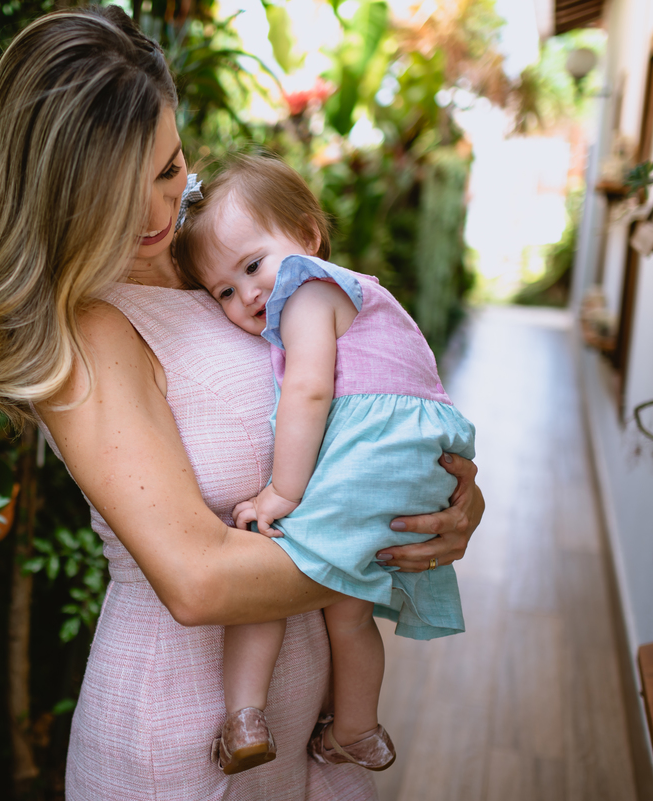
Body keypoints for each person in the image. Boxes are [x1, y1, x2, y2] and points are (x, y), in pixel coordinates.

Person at [0, 7, 484, 799]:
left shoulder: (218, 252)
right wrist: (384, 538)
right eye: (117, 195)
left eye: (169, 168)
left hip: (303, 723)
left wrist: (435, 496)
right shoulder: (88, 326)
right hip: (180, 737)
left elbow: (352, 392)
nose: (159, 215)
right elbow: (197, 580)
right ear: (60, 195)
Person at [172, 153, 475, 776]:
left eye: (253, 265)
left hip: (374, 455)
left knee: (265, 565)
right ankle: (357, 730)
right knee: (350, 614)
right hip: (416, 460)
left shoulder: (307, 289)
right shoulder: (359, 294)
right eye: (224, 291)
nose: (248, 294)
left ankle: (245, 715)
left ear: (308, 235)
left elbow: (309, 391)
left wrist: (283, 493)